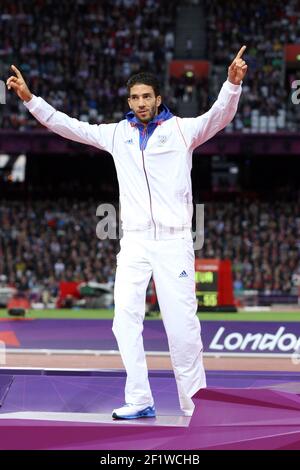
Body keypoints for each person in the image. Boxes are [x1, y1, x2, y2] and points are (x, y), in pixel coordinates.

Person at [6, 46, 247, 419]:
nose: (139, 103)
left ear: (158, 98)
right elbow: (69, 126)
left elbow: (219, 116)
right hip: (134, 241)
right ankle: (139, 398)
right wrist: (30, 99)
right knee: (124, 322)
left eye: (146, 97)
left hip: (173, 241)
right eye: (134, 98)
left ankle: (194, 406)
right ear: (129, 101)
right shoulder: (118, 134)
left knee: (182, 330)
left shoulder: (182, 130)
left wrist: (232, 84)